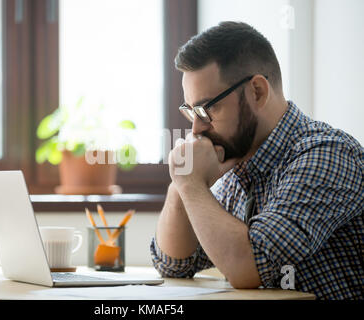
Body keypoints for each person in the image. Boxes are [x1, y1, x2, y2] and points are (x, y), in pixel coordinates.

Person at [150, 21, 363, 300]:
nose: (196, 129)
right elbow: (175, 265)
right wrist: (181, 183)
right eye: (191, 112)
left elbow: (250, 267)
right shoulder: (236, 167)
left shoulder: (327, 154)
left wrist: (191, 185)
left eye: (208, 108)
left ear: (257, 92)